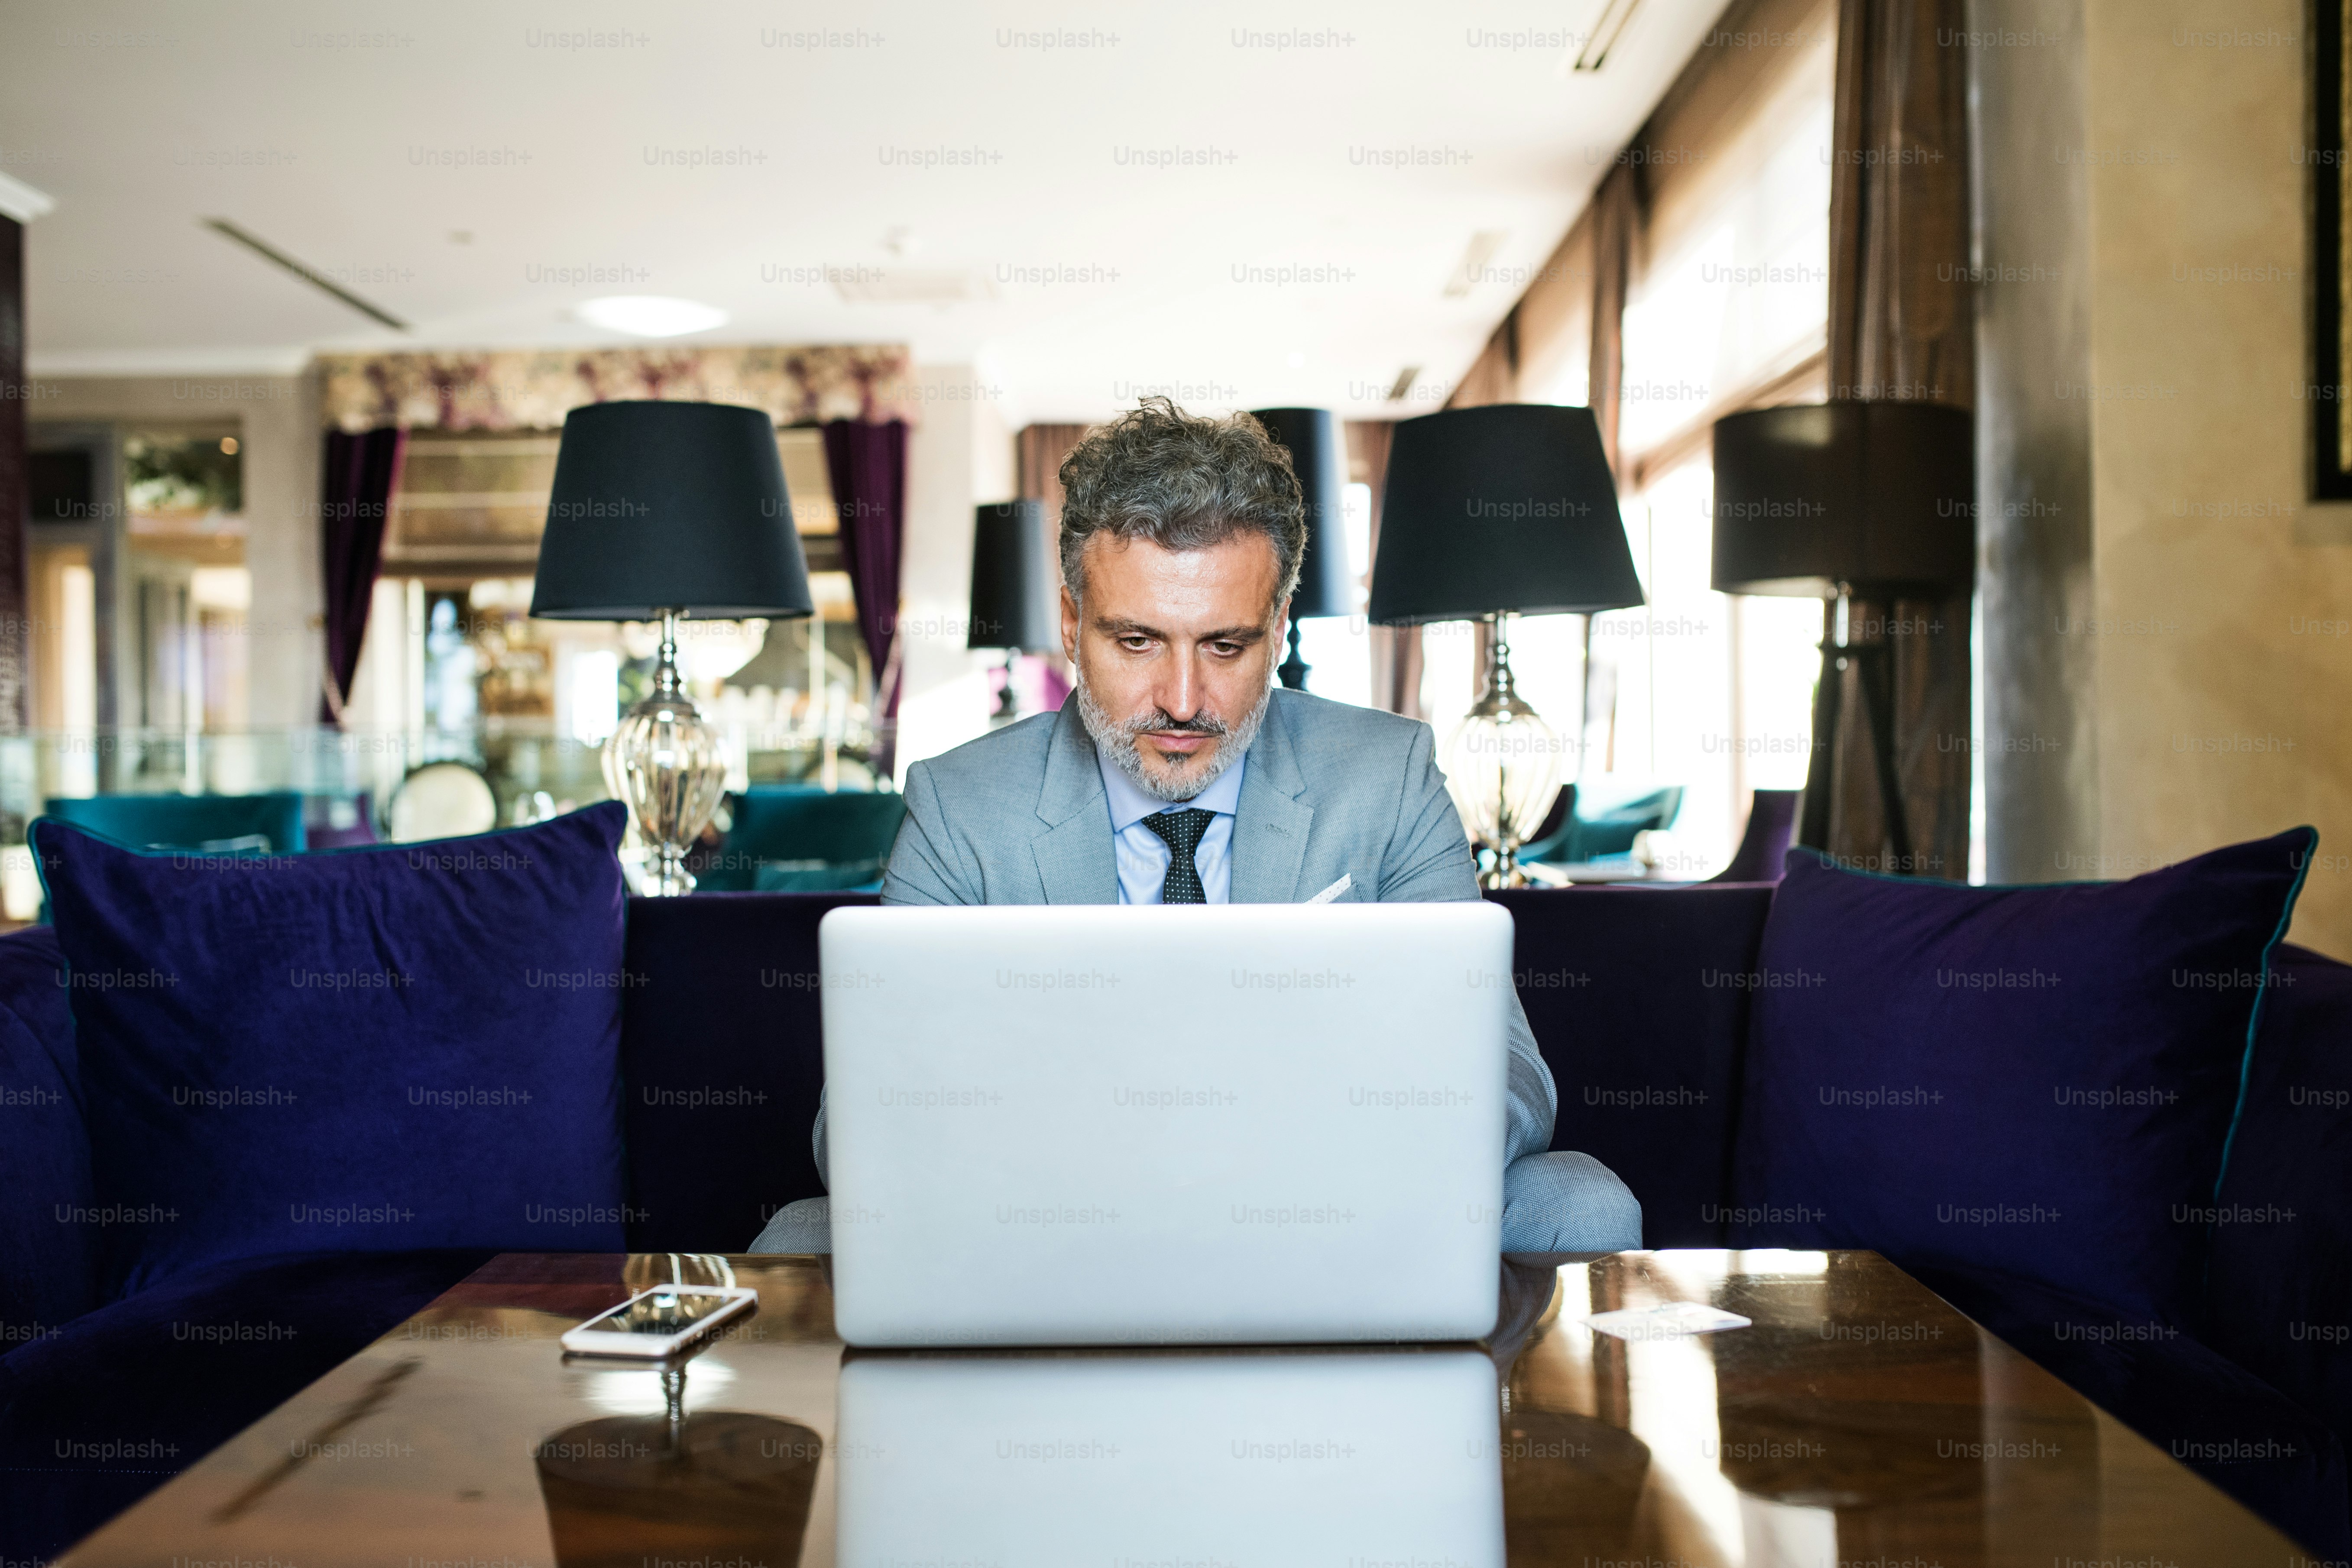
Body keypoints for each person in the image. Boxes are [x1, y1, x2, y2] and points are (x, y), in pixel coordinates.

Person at [751, 398, 1639, 1255]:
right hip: (1050, 1213)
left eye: (1225, 645)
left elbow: (1507, 1071)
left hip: (1327, 1199)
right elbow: (865, 1115)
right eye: (1137, 642)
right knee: (801, 1234)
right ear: (1071, 622)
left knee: (1580, 1200)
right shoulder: (961, 805)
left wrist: (1318, 1158)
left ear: (1278, 627)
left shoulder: (1388, 776)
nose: (1181, 701)